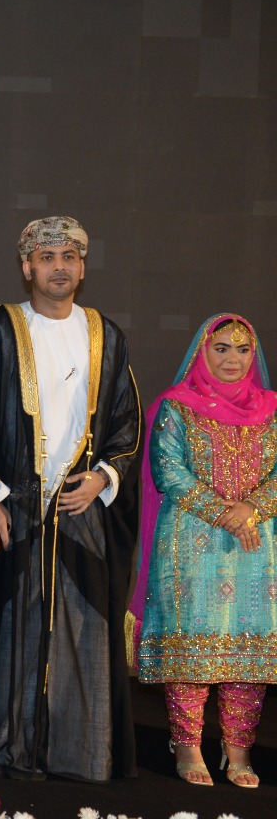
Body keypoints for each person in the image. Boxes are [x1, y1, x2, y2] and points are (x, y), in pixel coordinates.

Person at [0, 216, 141, 782]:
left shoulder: (105, 334)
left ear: (83, 267)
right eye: (47, 257)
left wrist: (102, 478)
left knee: (85, 629)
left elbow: (126, 421)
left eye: (69, 257)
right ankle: (6, 751)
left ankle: (79, 755)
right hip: (14, 508)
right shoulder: (1, 331)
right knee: (11, 631)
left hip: (81, 508)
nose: (59, 267)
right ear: (27, 266)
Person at [133, 314, 277, 788]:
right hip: (191, 538)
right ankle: (187, 745)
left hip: (256, 544)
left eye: (242, 349)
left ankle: (239, 751)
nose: (233, 358)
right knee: (191, 642)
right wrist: (224, 513)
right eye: (221, 348)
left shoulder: (273, 409)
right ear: (202, 351)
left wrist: (252, 508)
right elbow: (168, 470)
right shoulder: (177, 407)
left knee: (250, 648)